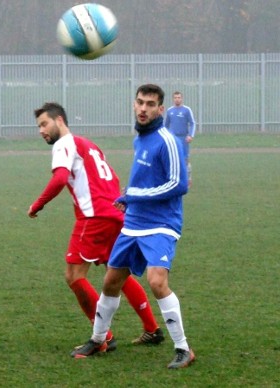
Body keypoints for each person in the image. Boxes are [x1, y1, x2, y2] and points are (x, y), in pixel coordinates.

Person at [71, 84, 194, 370]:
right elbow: (146, 178)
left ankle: (183, 348)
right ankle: (99, 339)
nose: (143, 108)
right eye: (139, 102)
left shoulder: (167, 140)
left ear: (160, 109)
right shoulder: (141, 138)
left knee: (156, 281)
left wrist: (135, 195)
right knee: (111, 281)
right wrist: (131, 197)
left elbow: (179, 184)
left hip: (161, 224)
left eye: (150, 104)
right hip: (134, 222)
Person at [28, 102, 163, 354]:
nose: (41, 131)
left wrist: (38, 204)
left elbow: (59, 178)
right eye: (38, 126)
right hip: (115, 214)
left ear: (59, 121)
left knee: (74, 276)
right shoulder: (88, 145)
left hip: (94, 218)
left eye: (44, 124)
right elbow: (112, 176)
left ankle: (102, 338)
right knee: (118, 275)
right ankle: (152, 329)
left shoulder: (63, 144)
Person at [164, 91, 196, 187]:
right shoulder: (170, 111)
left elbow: (192, 123)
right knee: (172, 159)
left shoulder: (186, 110)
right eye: (175, 97)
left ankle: (188, 179)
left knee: (185, 159)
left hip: (183, 139)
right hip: (173, 139)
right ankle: (174, 179)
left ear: (182, 99)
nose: (177, 99)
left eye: (179, 97)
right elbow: (165, 125)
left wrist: (190, 135)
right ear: (173, 99)